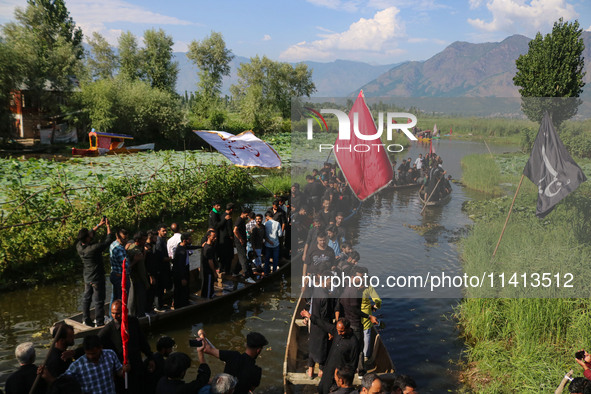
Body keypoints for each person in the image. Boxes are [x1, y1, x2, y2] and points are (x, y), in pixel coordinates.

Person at [99, 300, 154, 393]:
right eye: (113, 313)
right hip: (122, 371)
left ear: (125, 311)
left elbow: (142, 341)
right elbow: (94, 342)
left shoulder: (133, 322)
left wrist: (150, 357)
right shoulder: (108, 329)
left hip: (137, 365)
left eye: (118, 313)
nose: (115, 316)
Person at [76, 217, 113, 327]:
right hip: (97, 278)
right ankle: (100, 322)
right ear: (87, 239)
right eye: (89, 234)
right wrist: (107, 226)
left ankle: (86, 319)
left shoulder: (79, 246)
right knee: (99, 301)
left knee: (87, 298)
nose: (91, 234)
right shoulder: (94, 248)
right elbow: (109, 240)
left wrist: (99, 225)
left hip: (87, 277)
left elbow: (89, 234)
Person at [202, 332, 268, 394]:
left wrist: (202, 335)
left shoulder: (233, 355)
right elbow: (251, 389)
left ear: (246, 345)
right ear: (258, 350)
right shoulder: (257, 371)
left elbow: (207, 349)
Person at [172, 233, 200, 308]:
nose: (191, 241)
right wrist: (183, 278)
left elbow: (191, 247)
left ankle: (180, 304)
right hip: (180, 274)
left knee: (181, 290)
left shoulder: (182, 246)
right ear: (184, 240)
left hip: (181, 272)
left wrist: (201, 246)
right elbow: (181, 266)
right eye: (189, 239)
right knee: (181, 290)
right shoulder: (182, 251)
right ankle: (181, 306)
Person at [127, 231, 150, 317]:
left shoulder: (133, 247)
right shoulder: (136, 252)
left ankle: (132, 315)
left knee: (133, 298)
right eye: (143, 240)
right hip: (138, 279)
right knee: (139, 299)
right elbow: (141, 269)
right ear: (137, 240)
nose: (145, 242)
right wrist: (146, 283)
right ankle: (139, 316)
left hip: (132, 278)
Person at [109, 228, 128, 313]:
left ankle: (111, 315)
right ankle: (119, 316)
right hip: (119, 277)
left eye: (126, 238)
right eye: (124, 239)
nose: (125, 241)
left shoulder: (113, 244)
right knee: (121, 298)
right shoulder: (119, 248)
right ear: (117, 236)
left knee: (114, 297)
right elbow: (126, 265)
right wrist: (136, 259)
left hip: (114, 274)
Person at [233, 207, 255, 282]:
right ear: (244, 214)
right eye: (247, 215)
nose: (248, 217)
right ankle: (247, 277)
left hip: (242, 242)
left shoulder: (242, 220)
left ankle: (235, 272)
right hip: (240, 242)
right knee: (244, 259)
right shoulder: (239, 220)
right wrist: (240, 239)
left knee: (241, 257)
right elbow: (235, 230)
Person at [155, 224, 172, 310]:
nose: (165, 232)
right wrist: (169, 259)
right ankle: (158, 306)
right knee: (160, 288)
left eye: (166, 231)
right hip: (161, 269)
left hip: (163, 268)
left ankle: (161, 304)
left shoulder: (162, 240)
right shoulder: (159, 242)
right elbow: (160, 257)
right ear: (159, 231)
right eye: (163, 231)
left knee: (162, 288)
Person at [201, 230, 218, 299]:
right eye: (213, 237)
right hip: (208, 271)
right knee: (208, 285)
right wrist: (214, 272)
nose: (215, 238)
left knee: (209, 284)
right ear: (208, 237)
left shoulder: (206, 245)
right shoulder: (208, 248)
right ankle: (207, 299)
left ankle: (211, 294)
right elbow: (210, 262)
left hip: (206, 270)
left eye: (215, 237)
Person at [263, 211, 282, 275]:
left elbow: (264, 234)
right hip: (276, 244)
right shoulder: (277, 223)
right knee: (275, 258)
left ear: (267, 216)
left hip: (268, 244)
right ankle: (274, 271)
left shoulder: (265, 224)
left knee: (267, 258)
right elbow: (280, 234)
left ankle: (265, 272)